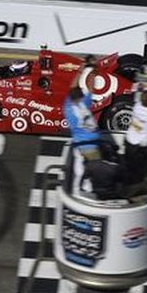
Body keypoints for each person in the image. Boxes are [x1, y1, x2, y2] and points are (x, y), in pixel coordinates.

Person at [63, 57, 103, 195]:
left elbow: (72, 88)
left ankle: (76, 187)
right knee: (93, 167)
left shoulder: (68, 106)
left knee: (80, 162)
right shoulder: (84, 103)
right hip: (91, 144)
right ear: (80, 97)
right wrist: (94, 72)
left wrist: (82, 69)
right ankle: (88, 189)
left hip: (79, 143)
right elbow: (91, 87)